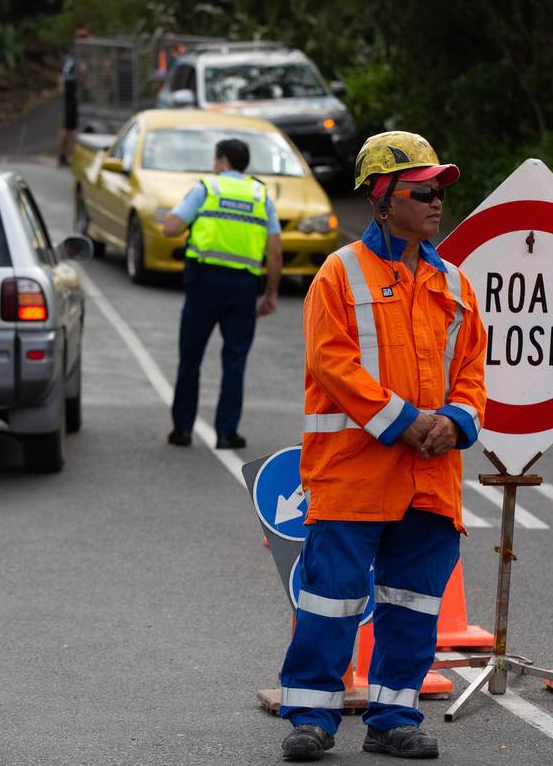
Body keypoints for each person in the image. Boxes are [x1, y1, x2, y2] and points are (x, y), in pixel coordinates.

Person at [276, 131, 486, 761]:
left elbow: (474, 368)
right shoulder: (338, 275)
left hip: (429, 477)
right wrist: (405, 422)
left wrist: (455, 420)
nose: (436, 203)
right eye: (422, 192)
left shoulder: (455, 284)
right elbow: (332, 362)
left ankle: (394, 717)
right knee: (330, 600)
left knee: (415, 603)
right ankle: (311, 718)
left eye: (440, 192)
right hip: (353, 474)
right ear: (382, 199)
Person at [161, 138, 282, 450]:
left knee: (191, 357)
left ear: (223, 161)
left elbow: (171, 228)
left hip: (204, 283)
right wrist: (270, 294)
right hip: (244, 287)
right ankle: (227, 433)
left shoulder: (207, 188)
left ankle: (183, 430)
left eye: (216, 160)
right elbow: (275, 250)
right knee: (235, 360)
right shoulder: (261, 195)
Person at [57, 25, 90, 167]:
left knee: (74, 127)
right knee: (70, 127)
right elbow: (64, 75)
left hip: (77, 92)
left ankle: (69, 155)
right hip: (72, 92)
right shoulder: (73, 56)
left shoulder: (82, 55)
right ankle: (65, 155)